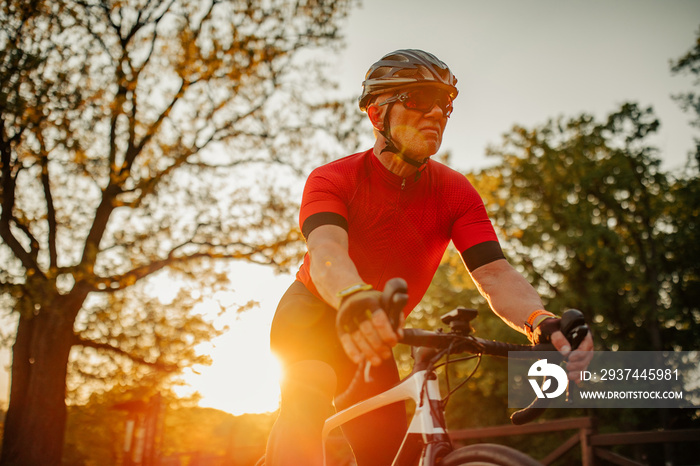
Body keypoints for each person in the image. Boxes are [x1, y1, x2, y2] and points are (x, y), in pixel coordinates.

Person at [265, 49, 594, 466]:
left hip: (379, 333)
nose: (437, 112)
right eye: (418, 99)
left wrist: (539, 320)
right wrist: (351, 294)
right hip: (312, 313)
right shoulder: (333, 178)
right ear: (376, 113)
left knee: (388, 455)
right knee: (306, 400)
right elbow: (328, 249)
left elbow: (494, 273)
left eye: (446, 104)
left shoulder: (456, 192)